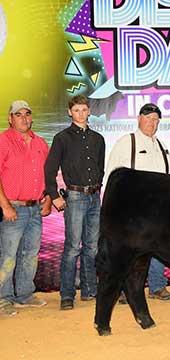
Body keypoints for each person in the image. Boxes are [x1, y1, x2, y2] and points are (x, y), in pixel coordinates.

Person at [106, 103, 170, 302]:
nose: (152, 123)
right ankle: (123, 289)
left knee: (158, 248)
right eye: (148, 118)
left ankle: (157, 286)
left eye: (155, 119)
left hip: (159, 207)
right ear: (138, 118)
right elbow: (112, 174)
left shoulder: (161, 145)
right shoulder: (126, 142)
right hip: (133, 207)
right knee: (129, 250)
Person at [44, 95, 105, 310]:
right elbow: (49, 170)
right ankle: (67, 295)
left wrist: (97, 189)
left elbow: (101, 168)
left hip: (94, 196)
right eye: (76, 110)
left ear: (89, 111)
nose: (81, 113)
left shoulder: (98, 139)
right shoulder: (62, 138)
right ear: (70, 112)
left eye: (84, 109)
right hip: (75, 196)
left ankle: (90, 290)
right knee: (72, 247)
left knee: (92, 247)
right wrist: (55, 195)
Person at [0, 100, 51, 316]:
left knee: (30, 253)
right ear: (10, 119)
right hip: (14, 207)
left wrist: (48, 198)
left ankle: (25, 294)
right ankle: (3, 298)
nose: (23, 118)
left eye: (27, 114)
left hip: (34, 208)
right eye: (18, 114)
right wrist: (5, 205)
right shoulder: (3, 141)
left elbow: (48, 174)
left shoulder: (40, 143)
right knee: (9, 255)